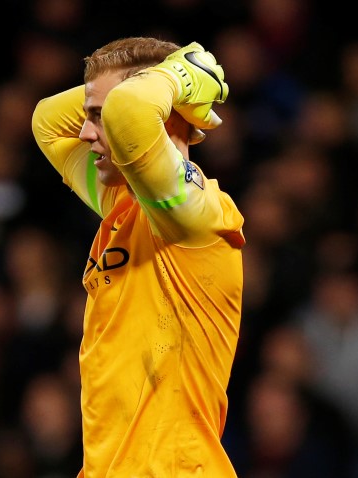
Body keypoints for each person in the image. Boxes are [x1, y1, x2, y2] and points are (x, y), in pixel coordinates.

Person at [31, 37, 245, 477]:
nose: (87, 132)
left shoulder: (197, 216)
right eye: (91, 116)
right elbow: (46, 121)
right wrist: (166, 80)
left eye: (100, 118)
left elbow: (130, 113)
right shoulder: (122, 204)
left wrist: (177, 77)